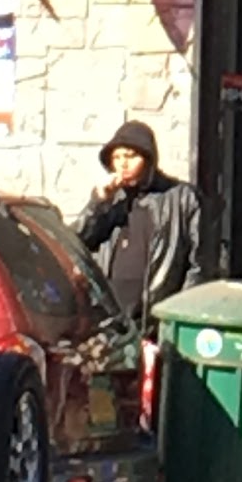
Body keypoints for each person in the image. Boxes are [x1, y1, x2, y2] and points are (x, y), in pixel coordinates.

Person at [78, 119, 203, 335]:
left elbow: (200, 265)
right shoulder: (112, 200)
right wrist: (98, 203)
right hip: (113, 322)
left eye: (130, 157)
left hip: (159, 321)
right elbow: (79, 242)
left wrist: (179, 318)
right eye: (116, 158)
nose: (122, 165)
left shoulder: (182, 198)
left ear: (148, 158)